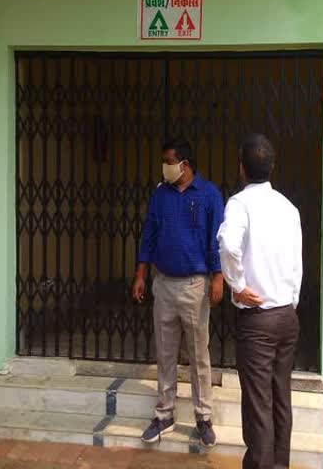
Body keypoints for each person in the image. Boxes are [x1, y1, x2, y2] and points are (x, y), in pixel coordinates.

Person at [132, 137, 224, 447]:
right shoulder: (161, 195)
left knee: (199, 354)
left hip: (195, 285)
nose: (165, 167)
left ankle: (203, 416)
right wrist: (141, 273)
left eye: (168, 161)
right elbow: (149, 233)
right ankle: (164, 413)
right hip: (164, 282)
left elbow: (216, 241)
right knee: (165, 351)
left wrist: (218, 277)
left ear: (184, 164)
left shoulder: (209, 195)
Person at [217, 133, 303, 469]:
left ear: (241, 166)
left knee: (258, 405)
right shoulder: (288, 207)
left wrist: (236, 285)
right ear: (272, 165)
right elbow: (297, 263)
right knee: (281, 398)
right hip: (286, 317)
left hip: (258, 319)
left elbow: (227, 245)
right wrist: (290, 300)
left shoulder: (240, 204)